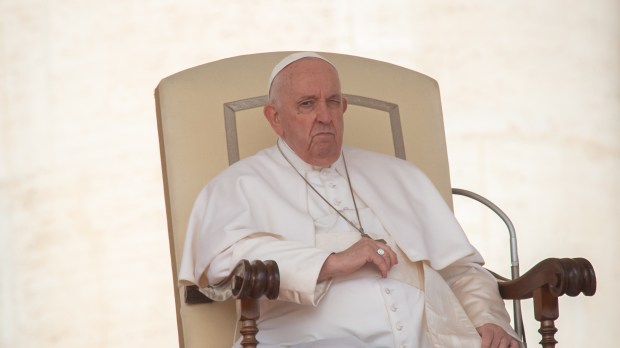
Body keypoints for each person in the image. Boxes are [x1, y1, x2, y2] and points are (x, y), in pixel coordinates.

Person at [179, 52, 520, 348]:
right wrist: (330, 262)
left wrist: (489, 319)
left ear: (343, 108)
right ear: (275, 118)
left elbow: (460, 269)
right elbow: (223, 262)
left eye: (332, 102)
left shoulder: (401, 176)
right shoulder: (239, 184)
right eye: (307, 104)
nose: (324, 116)